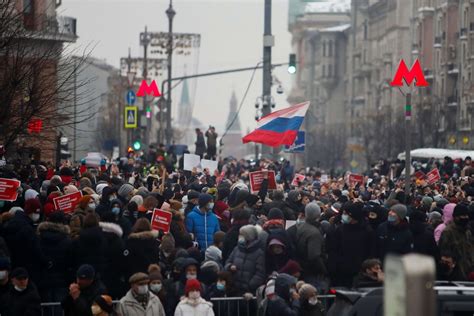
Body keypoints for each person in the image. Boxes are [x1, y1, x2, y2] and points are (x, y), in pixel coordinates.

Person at [326, 202, 376, 287]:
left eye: (345, 213)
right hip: (341, 271)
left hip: (359, 272)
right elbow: (334, 249)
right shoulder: (340, 229)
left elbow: (370, 251)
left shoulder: (367, 231)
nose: (343, 215)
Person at [225, 225, 266, 295]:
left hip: (249, 292)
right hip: (234, 289)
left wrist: (249, 286)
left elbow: (260, 273)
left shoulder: (259, 253)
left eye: (242, 235)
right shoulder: (237, 249)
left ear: (249, 236)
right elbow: (228, 262)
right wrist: (230, 266)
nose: (239, 236)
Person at [295, 203, 327, 288]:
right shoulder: (314, 233)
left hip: (303, 268)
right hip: (313, 273)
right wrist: (324, 270)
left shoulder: (301, 227)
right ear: (318, 215)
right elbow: (314, 256)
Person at [439, 204, 474, 280]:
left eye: (466, 215)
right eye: (462, 215)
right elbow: (444, 254)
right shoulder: (448, 232)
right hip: (454, 275)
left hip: (469, 273)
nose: (465, 218)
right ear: (455, 217)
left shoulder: (467, 232)